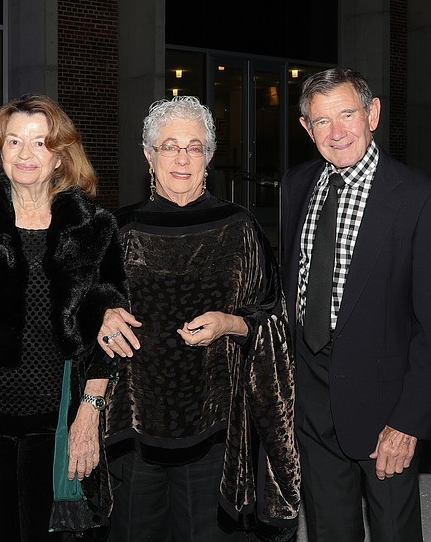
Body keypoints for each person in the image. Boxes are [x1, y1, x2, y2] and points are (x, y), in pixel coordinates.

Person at [99, 96, 300, 542]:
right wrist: (100, 314)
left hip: (215, 425)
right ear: (148, 154)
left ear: (209, 156)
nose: (182, 158)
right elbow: (84, 308)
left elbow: (274, 319)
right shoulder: (118, 230)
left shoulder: (239, 227)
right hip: (132, 424)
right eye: (170, 146)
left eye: (194, 147)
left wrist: (229, 323)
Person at [0, 94, 128, 541]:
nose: (25, 154)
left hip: (60, 419)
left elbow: (111, 335)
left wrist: (90, 413)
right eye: (14, 141)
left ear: (60, 156)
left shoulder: (94, 227)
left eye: (40, 143)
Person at [280, 67, 431, 541]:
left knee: (393, 530)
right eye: (322, 121)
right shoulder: (296, 185)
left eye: (347, 114)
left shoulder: (421, 198)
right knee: (328, 528)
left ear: (372, 114)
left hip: (385, 406)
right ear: (306, 128)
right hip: (310, 399)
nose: (336, 132)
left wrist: (408, 421)